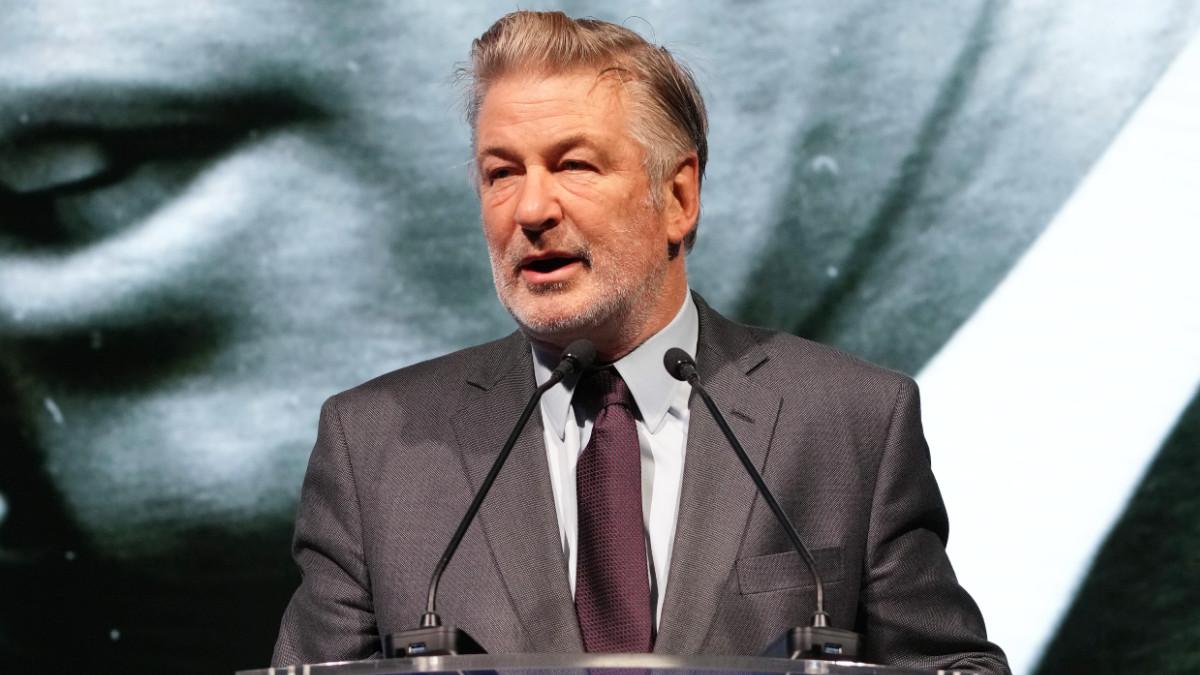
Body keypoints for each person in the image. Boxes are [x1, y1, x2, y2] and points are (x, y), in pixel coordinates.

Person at [272, 11, 1009, 674]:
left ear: (678, 198)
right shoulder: (374, 448)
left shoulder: (849, 421)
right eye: (502, 173)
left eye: (573, 165)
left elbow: (955, 666)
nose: (530, 208)